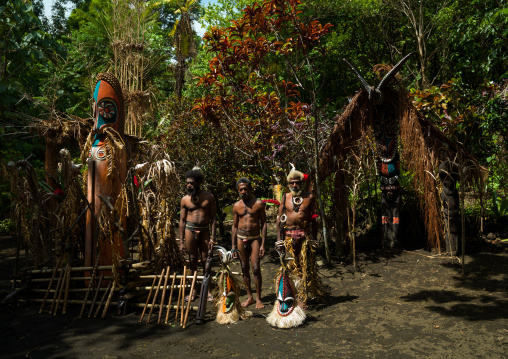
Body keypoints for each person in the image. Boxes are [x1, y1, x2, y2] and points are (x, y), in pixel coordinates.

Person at [276, 169, 322, 305]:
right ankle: (292, 295)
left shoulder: (310, 197)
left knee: (305, 266)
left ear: (301, 183)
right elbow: (279, 220)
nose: (294, 185)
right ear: (289, 184)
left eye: (297, 183)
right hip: (289, 238)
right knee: (291, 266)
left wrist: (314, 239)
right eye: (292, 183)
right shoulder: (284, 198)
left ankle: (303, 297)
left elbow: (314, 219)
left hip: (304, 237)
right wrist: (279, 240)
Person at [179, 169, 216, 302]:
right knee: (192, 260)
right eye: (187, 183)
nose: (189, 185)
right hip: (190, 230)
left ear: (199, 182)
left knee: (206, 260)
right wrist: (181, 242)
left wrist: (213, 237)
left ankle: (208, 290)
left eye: (192, 183)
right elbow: (182, 221)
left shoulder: (209, 197)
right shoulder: (185, 200)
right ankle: (193, 290)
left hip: (204, 230)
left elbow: (213, 218)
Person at [232, 178, 267, 309]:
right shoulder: (236, 206)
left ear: (250, 189)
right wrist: (233, 246)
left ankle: (258, 298)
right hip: (241, 238)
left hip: (254, 238)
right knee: (244, 268)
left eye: (246, 189)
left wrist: (263, 244)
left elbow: (264, 223)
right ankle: (250, 297)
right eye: (241, 189)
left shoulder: (258, 204)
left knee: (256, 268)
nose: (243, 191)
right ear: (238, 190)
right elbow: (234, 226)